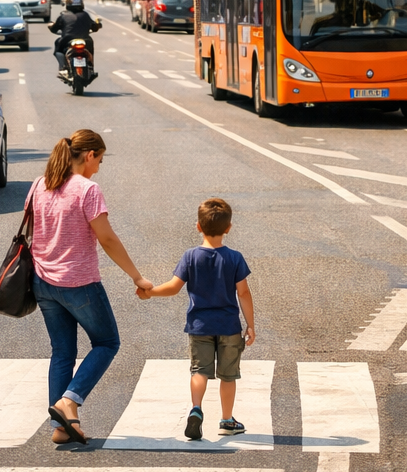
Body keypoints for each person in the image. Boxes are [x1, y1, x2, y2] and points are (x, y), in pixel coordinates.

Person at [29, 130, 151, 445]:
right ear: (89, 155)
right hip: (78, 283)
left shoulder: (40, 185)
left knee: (62, 351)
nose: (99, 167)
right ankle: (70, 400)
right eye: (100, 159)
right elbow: (106, 238)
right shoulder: (88, 189)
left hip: (43, 282)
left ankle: (62, 426)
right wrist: (136, 277)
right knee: (108, 342)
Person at [139, 198, 255, 440]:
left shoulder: (190, 256)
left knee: (199, 371)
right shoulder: (235, 258)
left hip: (199, 327)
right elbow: (243, 293)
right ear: (228, 228)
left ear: (198, 227)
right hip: (229, 327)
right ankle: (226, 420)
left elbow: (173, 287)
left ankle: (196, 409)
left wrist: (150, 292)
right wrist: (251, 325)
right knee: (228, 375)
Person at [49, 0, 103, 76]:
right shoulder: (85, 15)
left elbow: (54, 28)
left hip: (67, 39)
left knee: (58, 49)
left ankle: (63, 67)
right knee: (90, 47)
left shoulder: (63, 16)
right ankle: (91, 67)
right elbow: (94, 27)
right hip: (86, 39)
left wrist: (51, 26)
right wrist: (98, 24)